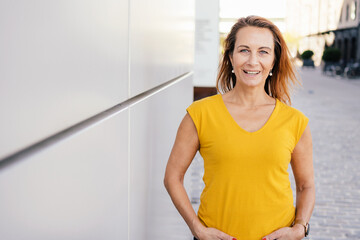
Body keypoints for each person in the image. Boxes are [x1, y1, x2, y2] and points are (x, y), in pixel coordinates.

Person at [164, 16, 315, 240]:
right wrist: (197, 229)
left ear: (274, 61)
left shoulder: (295, 121)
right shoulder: (200, 114)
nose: (253, 61)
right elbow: (172, 177)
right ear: (231, 57)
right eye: (244, 50)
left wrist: (300, 228)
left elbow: (306, 186)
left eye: (263, 51)